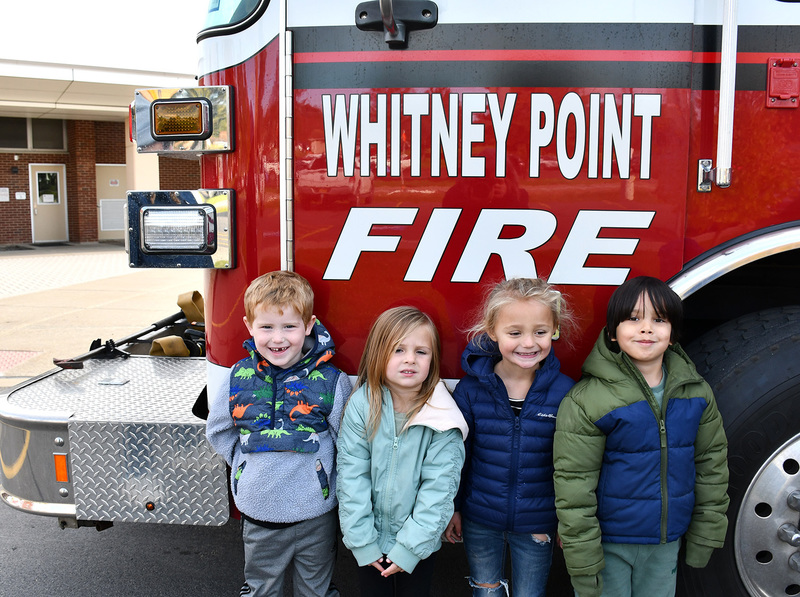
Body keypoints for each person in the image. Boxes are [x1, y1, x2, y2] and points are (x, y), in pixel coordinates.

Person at [553, 276, 729, 597]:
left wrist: (707, 532)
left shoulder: (697, 393)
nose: (646, 328)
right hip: (610, 544)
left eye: (659, 320)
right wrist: (582, 555)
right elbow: (573, 484)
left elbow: (711, 465)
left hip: (665, 543)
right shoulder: (587, 400)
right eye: (633, 318)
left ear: (673, 335)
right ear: (612, 334)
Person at [206, 270, 352, 597]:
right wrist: (244, 465)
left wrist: (330, 483)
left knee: (316, 592)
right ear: (249, 326)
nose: (278, 338)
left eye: (289, 326)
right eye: (266, 327)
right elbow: (218, 430)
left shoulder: (331, 381)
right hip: (259, 514)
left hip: (316, 516)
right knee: (261, 590)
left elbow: (348, 442)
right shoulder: (237, 377)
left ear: (309, 326)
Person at [445, 277, 575, 596]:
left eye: (540, 332)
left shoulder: (565, 393)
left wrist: (569, 520)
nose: (528, 343)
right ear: (492, 332)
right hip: (479, 517)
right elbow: (456, 458)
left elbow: (573, 466)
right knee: (485, 590)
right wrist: (454, 507)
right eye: (515, 333)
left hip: (539, 522)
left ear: (554, 329)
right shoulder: (472, 390)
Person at [337, 306, 468, 597]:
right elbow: (351, 477)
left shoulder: (442, 413)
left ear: (432, 359)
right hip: (368, 540)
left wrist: (410, 549)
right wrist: (362, 542)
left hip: (418, 546)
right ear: (378, 353)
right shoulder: (363, 404)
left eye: (421, 352)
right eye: (398, 350)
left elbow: (440, 489)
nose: (410, 359)